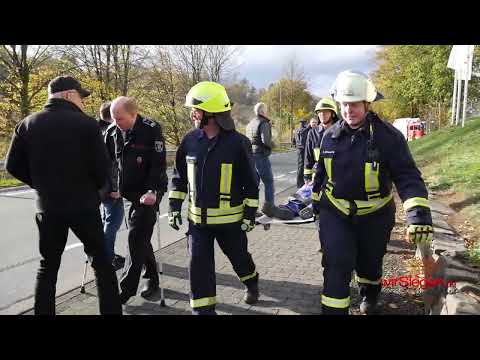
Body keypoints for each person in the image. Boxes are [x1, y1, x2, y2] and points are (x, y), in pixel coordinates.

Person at [311, 70, 433, 315]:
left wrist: (418, 216)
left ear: (367, 103)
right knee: (336, 264)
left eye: (354, 104)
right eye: (344, 104)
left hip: (376, 216)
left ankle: (369, 292)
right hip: (336, 214)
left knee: (370, 263)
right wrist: (316, 210)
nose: (348, 110)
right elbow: (321, 176)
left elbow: (407, 177)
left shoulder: (389, 138)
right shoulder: (329, 137)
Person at [5, 75, 122, 315]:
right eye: (81, 97)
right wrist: (95, 190)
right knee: (101, 264)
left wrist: (40, 183)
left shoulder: (28, 124)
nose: (83, 102)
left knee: (47, 267)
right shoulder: (87, 125)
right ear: (69, 94)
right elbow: (102, 169)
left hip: (48, 206)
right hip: (84, 205)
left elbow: (12, 165)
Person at [168, 81, 260, 315]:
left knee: (240, 260)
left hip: (231, 223)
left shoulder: (238, 143)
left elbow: (251, 182)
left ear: (210, 113)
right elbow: (179, 177)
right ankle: (203, 310)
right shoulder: (189, 141)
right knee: (198, 267)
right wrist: (174, 206)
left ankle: (251, 281)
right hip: (198, 224)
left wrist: (249, 215)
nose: (192, 114)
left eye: (196, 110)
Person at [105, 96, 168, 305]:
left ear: (134, 114)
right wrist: (110, 187)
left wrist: (152, 191)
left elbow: (158, 165)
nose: (116, 122)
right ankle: (152, 277)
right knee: (141, 237)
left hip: (149, 192)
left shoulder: (151, 129)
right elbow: (106, 162)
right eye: (113, 118)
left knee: (135, 238)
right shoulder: (112, 132)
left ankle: (124, 290)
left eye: (120, 118)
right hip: (127, 194)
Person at [98, 102, 125, 270]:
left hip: (98, 187)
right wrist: (117, 188)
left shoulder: (94, 130)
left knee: (105, 221)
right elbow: (115, 164)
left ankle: (101, 254)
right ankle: (107, 258)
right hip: (110, 188)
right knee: (112, 223)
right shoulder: (113, 133)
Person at [245, 102, 278, 217]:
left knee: (254, 184)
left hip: (250, 156)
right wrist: (273, 145)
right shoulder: (264, 123)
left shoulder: (250, 124)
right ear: (263, 111)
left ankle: (252, 210)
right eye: (266, 110)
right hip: (261, 156)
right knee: (269, 182)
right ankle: (269, 208)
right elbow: (266, 141)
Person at [303, 97, 339, 185]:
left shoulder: (340, 132)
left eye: (326, 111)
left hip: (336, 177)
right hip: (318, 176)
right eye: (320, 112)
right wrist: (307, 177)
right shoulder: (312, 133)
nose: (322, 114)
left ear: (333, 114)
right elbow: (308, 156)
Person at [292, 119, 311, 188]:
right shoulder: (304, 130)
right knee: (302, 166)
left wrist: (295, 145)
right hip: (302, 149)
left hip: (299, 149)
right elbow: (303, 133)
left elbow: (293, 140)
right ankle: (300, 183)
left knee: (301, 166)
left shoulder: (297, 130)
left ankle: (300, 183)